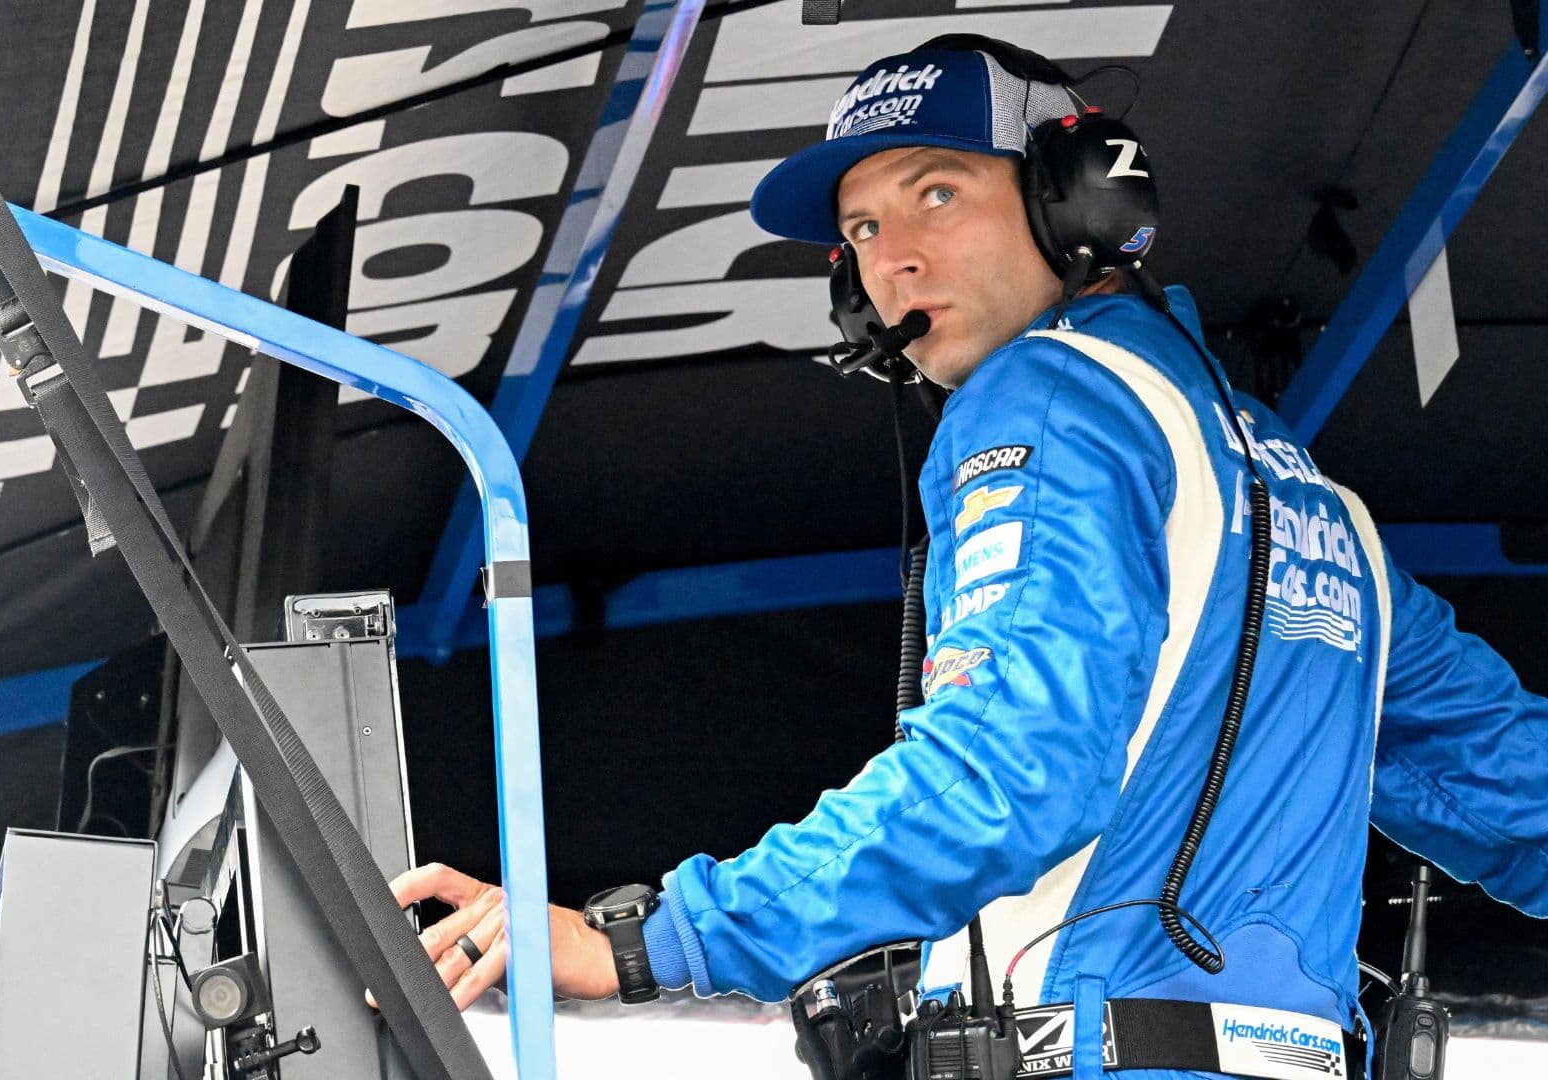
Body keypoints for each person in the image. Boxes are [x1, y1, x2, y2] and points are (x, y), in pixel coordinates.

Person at [389, 35, 1548, 1076]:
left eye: (934, 193)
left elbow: (1013, 769)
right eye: (860, 230)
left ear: (1078, 201)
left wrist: (653, 936)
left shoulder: (1044, 398)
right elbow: (1517, 795)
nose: (889, 260)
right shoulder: (1310, 500)